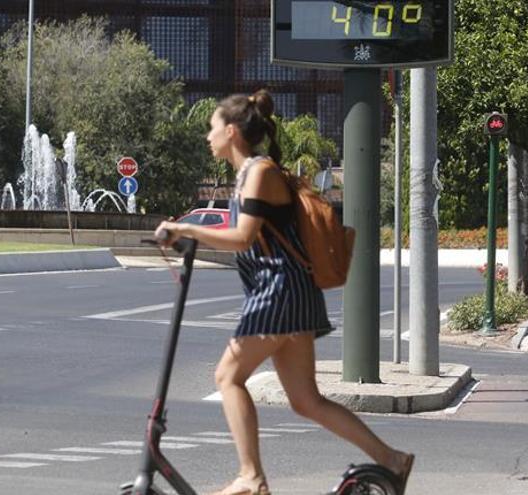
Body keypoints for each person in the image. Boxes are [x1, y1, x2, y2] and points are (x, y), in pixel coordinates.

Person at [155, 89, 414, 495]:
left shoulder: (260, 172)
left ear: (233, 131)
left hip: (279, 290)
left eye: (212, 127)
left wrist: (185, 229)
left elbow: (242, 238)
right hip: (283, 289)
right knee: (305, 400)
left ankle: (251, 477)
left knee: (227, 376)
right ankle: (391, 459)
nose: (208, 136)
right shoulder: (249, 173)